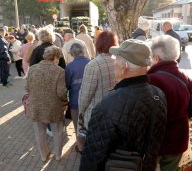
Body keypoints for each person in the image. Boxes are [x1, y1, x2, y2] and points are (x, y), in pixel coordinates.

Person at [79, 39, 168, 171]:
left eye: (116, 59)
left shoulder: (108, 105)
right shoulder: (158, 94)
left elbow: (92, 158)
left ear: (124, 66)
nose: (113, 63)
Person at [147, 35, 192, 171]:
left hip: (155, 141)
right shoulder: (186, 78)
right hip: (179, 139)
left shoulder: (150, 80)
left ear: (156, 58)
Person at [77, 31, 118, 151]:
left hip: (95, 116)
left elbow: (85, 95)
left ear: (98, 44)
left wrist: (81, 114)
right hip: (114, 113)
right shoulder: (117, 61)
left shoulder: (93, 65)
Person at [26, 45, 67, 162]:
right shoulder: (59, 71)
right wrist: (65, 100)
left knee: (39, 132)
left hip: (36, 106)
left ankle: (44, 155)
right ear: (54, 57)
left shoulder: (32, 68)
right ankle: (58, 155)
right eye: (58, 57)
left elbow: (27, 88)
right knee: (57, 131)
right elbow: (61, 93)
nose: (59, 60)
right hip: (54, 107)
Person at [65, 43, 90, 152]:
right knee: (89, 122)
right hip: (90, 99)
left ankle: (80, 146)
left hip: (75, 100)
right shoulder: (91, 63)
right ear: (83, 51)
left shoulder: (70, 66)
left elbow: (67, 84)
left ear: (72, 53)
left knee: (77, 125)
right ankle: (89, 143)